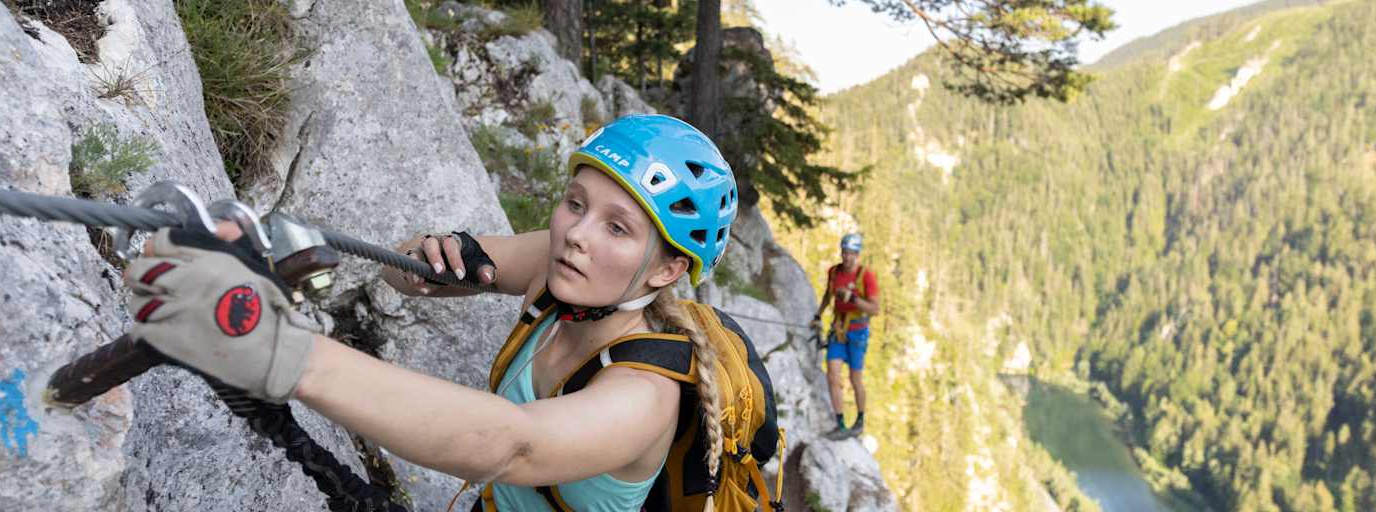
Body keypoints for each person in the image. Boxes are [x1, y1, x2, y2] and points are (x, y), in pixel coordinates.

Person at [120, 115, 753, 510]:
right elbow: (409, 273)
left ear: (669, 269)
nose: (577, 233)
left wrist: (278, 347)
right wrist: (434, 258)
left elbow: (513, 445)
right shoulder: (570, 265)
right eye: (575, 202)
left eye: (618, 226)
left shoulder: (643, 397)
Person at [810, 233, 880, 438]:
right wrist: (817, 315)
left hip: (858, 331)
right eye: (845, 252)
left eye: (852, 254)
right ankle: (840, 423)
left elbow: (875, 309)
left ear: (857, 255)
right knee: (832, 374)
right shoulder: (834, 272)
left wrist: (853, 299)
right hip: (839, 330)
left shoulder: (865, 276)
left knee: (855, 378)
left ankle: (859, 421)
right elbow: (827, 295)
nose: (847, 257)